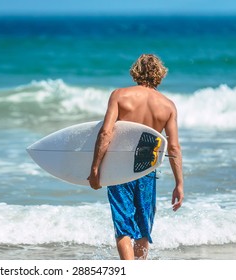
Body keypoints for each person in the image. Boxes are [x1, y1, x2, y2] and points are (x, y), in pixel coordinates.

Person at [87, 54, 184, 260]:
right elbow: (173, 147)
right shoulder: (168, 106)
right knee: (143, 226)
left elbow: (105, 133)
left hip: (119, 168)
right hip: (146, 169)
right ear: (159, 74)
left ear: (136, 72)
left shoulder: (120, 96)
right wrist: (179, 183)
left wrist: (95, 168)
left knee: (123, 224)